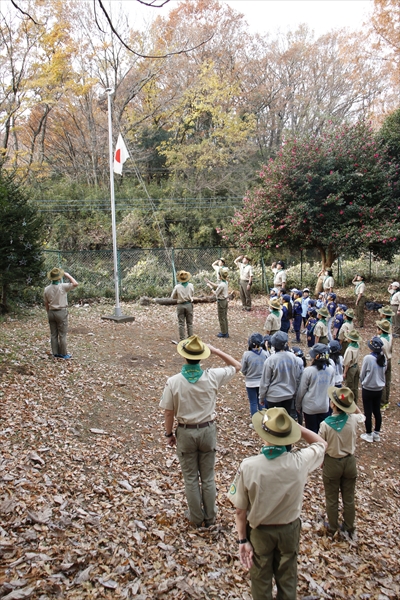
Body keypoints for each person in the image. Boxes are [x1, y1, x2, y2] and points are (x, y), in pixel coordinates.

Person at [227, 407, 327, 600]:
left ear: (262, 433)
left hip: (260, 533)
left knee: (260, 579)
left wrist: (242, 540)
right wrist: (299, 427)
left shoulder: (249, 466)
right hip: (289, 529)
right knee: (288, 577)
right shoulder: (300, 461)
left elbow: (240, 510)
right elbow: (322, 444)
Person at [160, 335, 241, 527]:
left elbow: (168, 412)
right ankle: (210, 516)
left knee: (190, 477)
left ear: (184, 356)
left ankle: (196, 517)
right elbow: (237, 366)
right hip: (207, 431)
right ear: (202, 356)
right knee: (207, 477)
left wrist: (169, 434)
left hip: (186, 433)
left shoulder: (174, 382)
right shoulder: (212, 376)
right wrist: (216, 350)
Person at [318, 386, 364, 536]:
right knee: (349, 497)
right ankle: (349, 526)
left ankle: (332, 526)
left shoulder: (325, 425)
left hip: (332, 462)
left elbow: (321, 445)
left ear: (332, 404)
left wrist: (321, 461)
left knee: (332, 498)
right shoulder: (353, 419)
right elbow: (361, 415)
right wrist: (352, 406)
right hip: (349, 462)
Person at [296, 344, 335, 433]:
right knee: (323, 431)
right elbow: (331, 389)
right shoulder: (331, 370)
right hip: (324, 406)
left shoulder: (308, 371)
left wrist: (298, 405)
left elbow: (302, 390)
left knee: (311, 431)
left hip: (310, 407)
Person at [259, 331, 302, 413]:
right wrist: (295, 393)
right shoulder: (293, 357)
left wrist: (261, 397)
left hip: (274, 396)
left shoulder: (270, 360)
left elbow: (265, 381)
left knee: (273, 422)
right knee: (285, 422)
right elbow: (297, 377)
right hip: (289, 395)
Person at [44, 268, 78, 359]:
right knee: (62, 334)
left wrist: (48, 312)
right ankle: (63, 353)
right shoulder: (63, 286)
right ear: (59, 278)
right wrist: (67, 275)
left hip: (51, 312)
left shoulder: (46, 289)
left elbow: (46, 303)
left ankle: (55, 353)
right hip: (61, 312)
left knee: (53, 334)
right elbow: (75, 284)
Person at [360, 337, 386, 443]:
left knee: (368, 411)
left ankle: (369, 433)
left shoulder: (368, 358)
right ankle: (377, 433)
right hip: (379, 389)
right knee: (377, 411)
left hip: (368, 388)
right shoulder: (383, 357)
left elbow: (362, 374)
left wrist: (363, 382)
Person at [241, 333, 269, 420]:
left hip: (250, 382)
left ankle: (255, 422)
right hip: (262, 382)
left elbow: (243, 369)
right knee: (262, 402)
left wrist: (248, 374)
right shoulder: (265, 354)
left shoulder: (246, 354)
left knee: (253, 402)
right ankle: (264, 421)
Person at [206, 268, 230, 338]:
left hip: (221, 302)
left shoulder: (222, 285)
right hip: (225, 301)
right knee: (224, 317)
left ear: (220, 276)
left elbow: (216, 293)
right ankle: (225, 331)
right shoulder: (225, 282)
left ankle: (224, 333)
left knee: (221, 318)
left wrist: (210, 287)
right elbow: (217, 285)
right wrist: (209, 282)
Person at [171, 271, 194, 341]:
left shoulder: (177, 287)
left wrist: (179, 297)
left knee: (181, 323)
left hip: (180, 305)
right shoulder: (191, 285)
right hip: (189, 305)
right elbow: (192, 294)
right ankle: (190, 338)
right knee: (189, 323)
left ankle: (182, 339)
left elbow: (172, 297)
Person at [376, 319, 392, 410]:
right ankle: (386, 400)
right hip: (389, 359)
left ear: (381, 330)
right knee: (387, 380)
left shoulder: (381, 340)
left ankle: (382, 402)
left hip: (383, 360)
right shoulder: (390, 336)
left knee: (382, 380)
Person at [343, 330, 361, 404]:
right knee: (355, 387)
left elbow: (347, 363)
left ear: (351, 340)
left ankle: (349, 403)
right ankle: (355, 401)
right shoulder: (357, 344)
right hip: (356, 366)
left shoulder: (349, 350)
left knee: (349, 387)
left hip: (351, 369)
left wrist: (344, 373)